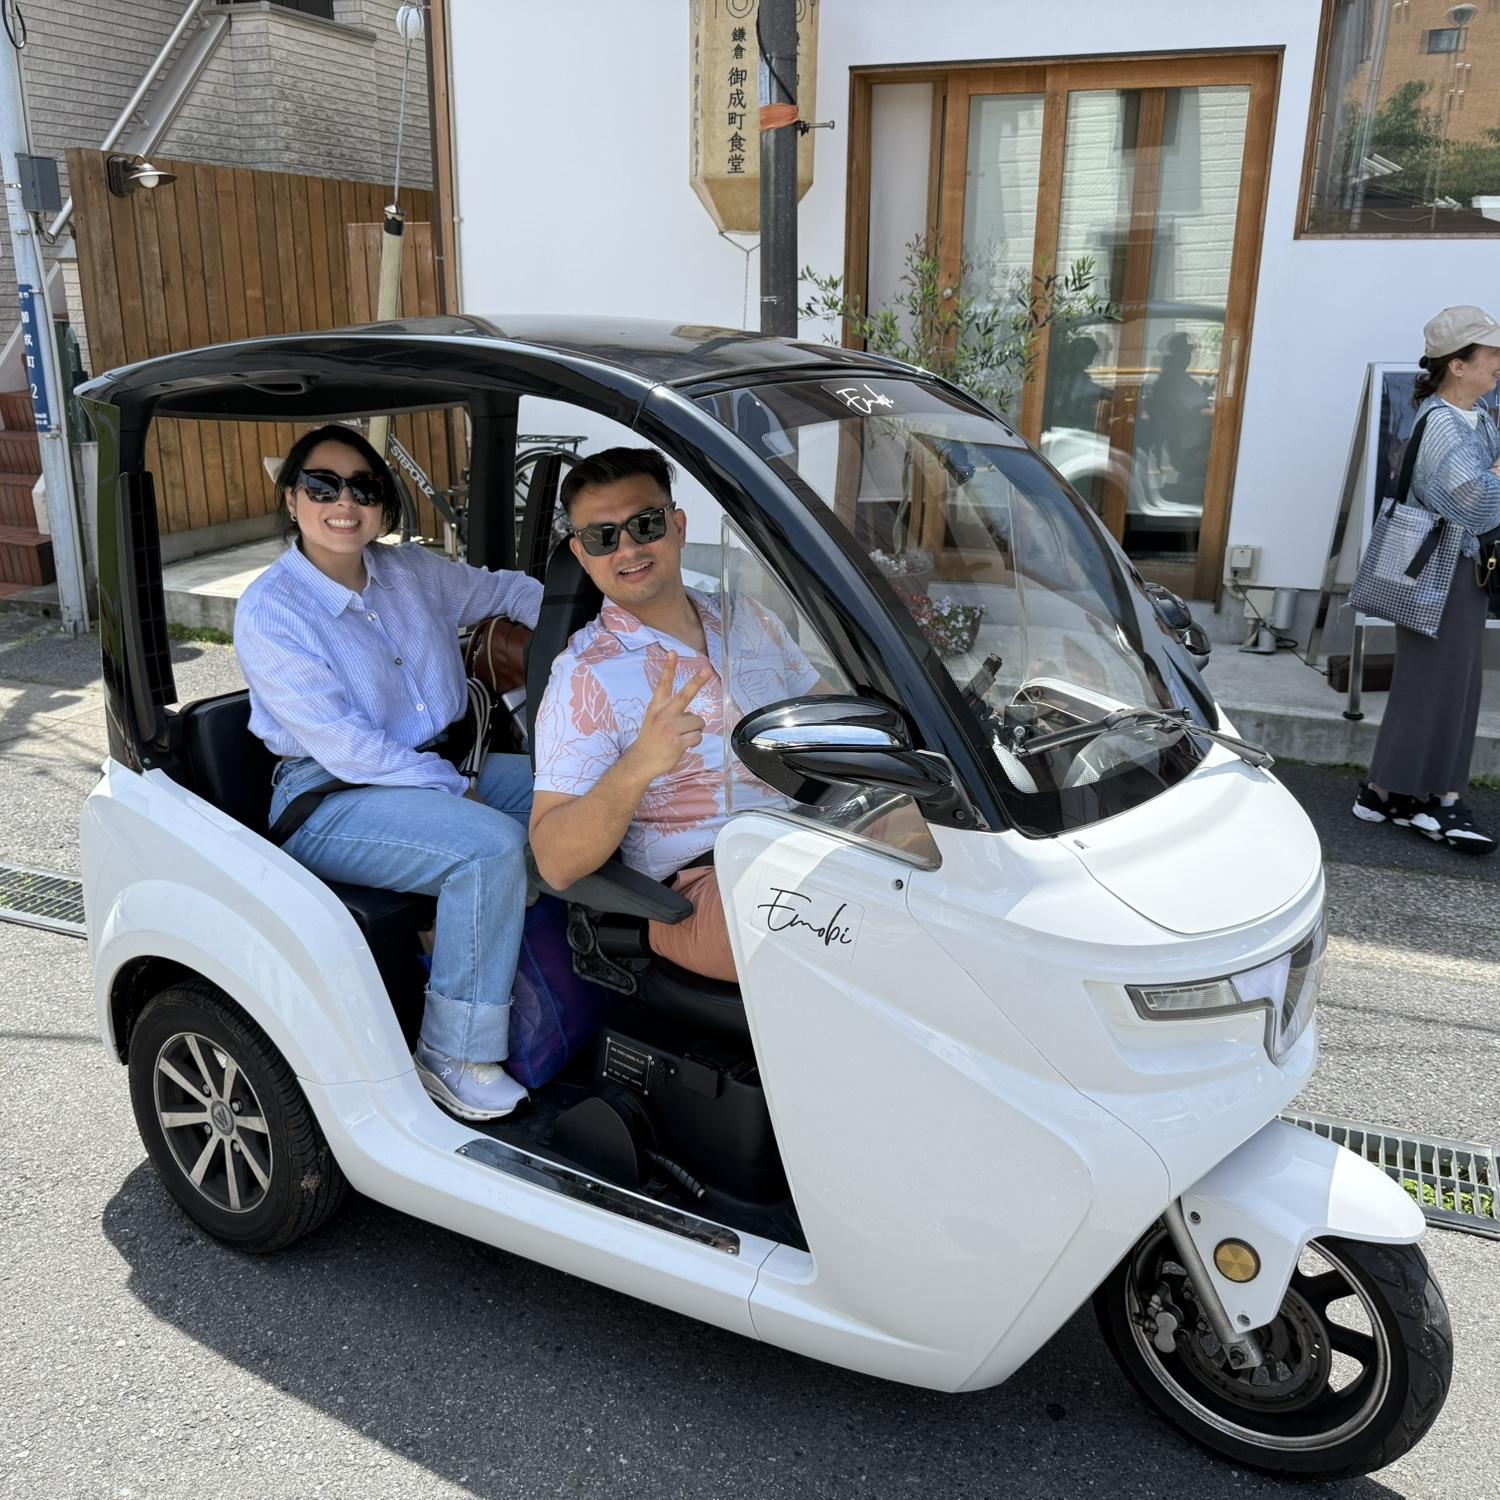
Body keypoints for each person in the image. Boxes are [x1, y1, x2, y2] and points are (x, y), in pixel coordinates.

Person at [236, 423, 544, 1118]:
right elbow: (345, 747)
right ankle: (452, 1050)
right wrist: (456, 788)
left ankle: (564, 973)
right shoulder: (271, 611)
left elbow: (510, 591)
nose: (344, 503)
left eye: (364, 487)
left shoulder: (412, 573)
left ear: (384, 503)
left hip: (428, 767)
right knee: (489, 846)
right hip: (328, 797)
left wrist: (588, 634)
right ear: (292, 500)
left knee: (565, 793)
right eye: (322, 486)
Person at [529, 448, 819, 982]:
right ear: (582, 552)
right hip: (704, 889)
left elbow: (830, 720)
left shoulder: (748, 618)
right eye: (603, 536)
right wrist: (638, 765)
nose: (629, 548)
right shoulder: (584, 676)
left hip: (814, 843)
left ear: (678, 526)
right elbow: (554, 860)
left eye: (646, 523)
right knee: (857, 936)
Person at [1354, 306, 1500, 853]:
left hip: (1457, 569)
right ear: (1457, 365)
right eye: (1491, 355)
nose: (1499, 364)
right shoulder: (1440, 423)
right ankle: (1431, 797)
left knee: (1453, 686)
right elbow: (1474, 505)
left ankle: (1400, 794)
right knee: (1436, 685)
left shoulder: (1477, 417)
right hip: (1440, 570)